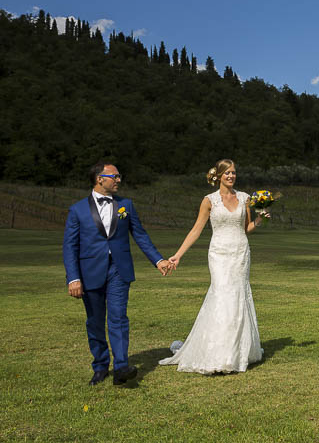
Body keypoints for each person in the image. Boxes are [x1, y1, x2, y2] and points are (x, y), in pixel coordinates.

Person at [63, 162, 172, 386]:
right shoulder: (77, 210)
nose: (119, 180)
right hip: (89, 272)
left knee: (118, 317)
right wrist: (73, 278)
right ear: (99, 179)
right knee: (94, 322)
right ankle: (101, 366)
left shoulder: (127, 205)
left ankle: (121, 367)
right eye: (115, 176)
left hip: (119, 271)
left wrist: (158, 259)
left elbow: (140, 235)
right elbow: (69, 247)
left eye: (119, 176)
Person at [159, 159, 265, 374]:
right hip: (219, 254)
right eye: (227, 173)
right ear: (217, 175)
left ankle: (235, 352)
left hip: (240, 252)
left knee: (237, 298)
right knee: (222, 295)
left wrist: (261, 219)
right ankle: (217, 353)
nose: (231, 176)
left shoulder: (244, 198)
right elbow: (196, 230)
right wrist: (178, 255)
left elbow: (247, 228)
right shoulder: (209, 200)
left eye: (234, 172)